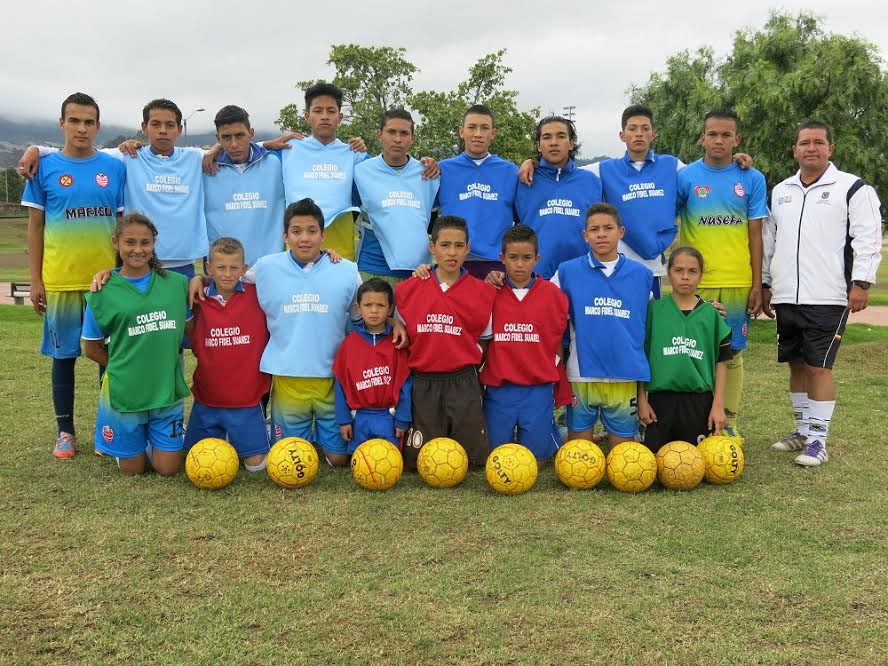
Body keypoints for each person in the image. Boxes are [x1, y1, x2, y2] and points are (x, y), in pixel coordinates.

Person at [762, 121, 883, 466]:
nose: (810, 148)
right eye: (804, 143)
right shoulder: (781, 190)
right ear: (795, 150)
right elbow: (771, 241)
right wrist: (767, 282)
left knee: (819, 367)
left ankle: (819, 440)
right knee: (796, 365)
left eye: (818, 142)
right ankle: (802, 431)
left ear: (831, 148)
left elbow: (868, 239)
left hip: (828, 295)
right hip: (787, 295)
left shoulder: (853, 188)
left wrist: (861, 283)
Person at [20, 92, 126, 459]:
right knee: (63, 358)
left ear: (98, 126)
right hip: (61, 281)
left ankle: (108, 429)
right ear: (62, 123)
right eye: (75, 121)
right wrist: (36, 280)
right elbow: (34, 228)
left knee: (107, 357)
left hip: (106, 282)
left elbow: (123, 227)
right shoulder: (43, 168)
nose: (82, 128)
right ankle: (65, 431)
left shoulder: (114, 168)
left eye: (89, 122)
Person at [676, 108, 768, 441]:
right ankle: (698, 419)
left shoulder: (752, 178)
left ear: (737, 140)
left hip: (736, 280)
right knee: (692, 350)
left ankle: (726, 421)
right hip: (694, 281)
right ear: (702, 137)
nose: (718, 140)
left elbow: (756, 234)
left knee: (732, 353)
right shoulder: (685, 178)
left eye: (726, 135)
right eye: (712, 134)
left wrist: (757, 283)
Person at [252, 198, 363, 467]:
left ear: (323, 236)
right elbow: (228, 280)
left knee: (338, 459)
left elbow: (364, 317)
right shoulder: (265, 267)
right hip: (289, 376)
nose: (305, 238)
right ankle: (298, 430)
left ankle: (322, 436)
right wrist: (200, 279)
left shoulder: (346, 270)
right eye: (297, 231)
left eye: (312, 231)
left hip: (330, 377)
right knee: (292, 456)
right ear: (285, 236)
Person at [80, 213, 191, 476]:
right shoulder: (102, 291)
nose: (138, 250)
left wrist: (202, 279)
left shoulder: (176, 285)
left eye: (145, 243)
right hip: (126, 391)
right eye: (130, 242)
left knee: (168, 469)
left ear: (154, 244)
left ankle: (153, 438)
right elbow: (91, 348)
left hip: (165, 388)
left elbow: (191, 327)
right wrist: (123, 366)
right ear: (116, 242)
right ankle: (128, 443)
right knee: (134, 471)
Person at [395, 216, 496, 469]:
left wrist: (463, 357)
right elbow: (397, 330)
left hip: (463, 381)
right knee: (418, 461)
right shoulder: (408, 289)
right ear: (432, 247)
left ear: (468, 249)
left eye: (459, 245)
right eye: (445, 244)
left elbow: (485, 340)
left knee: (473, 460)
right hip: (423, 381)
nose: (452, 252)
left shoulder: (483, 293)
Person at [550, 203, 653, 447]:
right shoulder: (566, 272)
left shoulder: (642, 275)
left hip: (624, 375)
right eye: (594, 229)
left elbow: (656, 318)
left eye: (608, 228)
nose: (602, 234)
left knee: (623, 455)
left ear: (621, 232)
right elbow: (540, 304)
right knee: (579, 454)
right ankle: (563, 434)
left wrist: (704, 306)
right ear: (585, 235)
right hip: (581, 373)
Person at [480, 225, 569, 460]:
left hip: (537, 389)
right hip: (500, 390)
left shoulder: (553, 295)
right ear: (502, 258)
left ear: (537, 259)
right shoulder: (490, 292)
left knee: (535, 460)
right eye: (513, 258)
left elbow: (557, 339)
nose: (519, 264)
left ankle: (554, 432)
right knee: (496, 456)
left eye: (526, 258)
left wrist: (555, 376)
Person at [185, 237, 271, 471]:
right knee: (194, 461)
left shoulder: (259, 294)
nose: (227, 273)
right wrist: (196, 280)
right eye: (220, 267)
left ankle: (249, 433)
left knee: (257, 466)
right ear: (209, 268)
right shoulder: (196, 297)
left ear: (244, 269)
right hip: (208, 399)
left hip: (247, 399)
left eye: (234, 267)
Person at [637, 247, 732, 453]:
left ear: (701, 275)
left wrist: (718, 405)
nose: (685, 277)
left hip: (699, 402)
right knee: (655, 461)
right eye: (679, 270)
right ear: (668, 273)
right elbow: (641, 359)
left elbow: (721, 364)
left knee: (699, 464)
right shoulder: (653, 312)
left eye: (692, 271)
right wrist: (642, 400)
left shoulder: (711, 314)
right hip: (660, 401)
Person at [354, 109, 439, 285]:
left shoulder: (429, 173)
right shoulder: (361, 171)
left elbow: (433, 223)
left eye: (404, 133)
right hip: (372, 268)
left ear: (412, 138)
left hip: (419, 271)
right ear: (380, 135)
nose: (398, 139)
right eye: (391, 132)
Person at [514, 116, 602, 278]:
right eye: (547, 137)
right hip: (535, 277)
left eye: (561, 136)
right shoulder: (523, 180)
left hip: (581, 275)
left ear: (571, 143)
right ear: (538, 146)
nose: (554, 142)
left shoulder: (591, 182)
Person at [437, 105, 519, 279]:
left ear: (493, 133)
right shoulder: (442, 170)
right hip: (454, 261)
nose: (478, 134)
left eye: (484, 128)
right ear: (461, 131)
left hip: (496, 263)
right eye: (472, 127)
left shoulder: (510, 171)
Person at [333, 278, 412, 452]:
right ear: (358, 308)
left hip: (388, 416)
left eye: (381, 305)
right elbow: (340, 384)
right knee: (359, 459)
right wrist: (344, 420)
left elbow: (405, 384)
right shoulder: (349, 344)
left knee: (389, 458)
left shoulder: (397, 343)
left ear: (390, 308)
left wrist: (402, 419)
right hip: (359, 417)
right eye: (368, 305)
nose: (374, 311)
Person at [202, 106, 286, 266]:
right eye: (226, 137)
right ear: (217, 138)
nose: (234, 144)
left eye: (240, 135)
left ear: (251, 133)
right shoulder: (205, 168)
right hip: (224, 273)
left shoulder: (278, 162)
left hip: (270, 268)